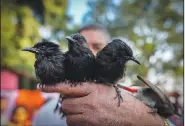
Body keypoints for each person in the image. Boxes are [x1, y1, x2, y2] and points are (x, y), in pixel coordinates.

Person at [33, 24, 167, 126]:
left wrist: (145, 119)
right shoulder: (46, 115)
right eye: (86, 44)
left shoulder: (135, 104)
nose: (90, 53)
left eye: (97, 46)